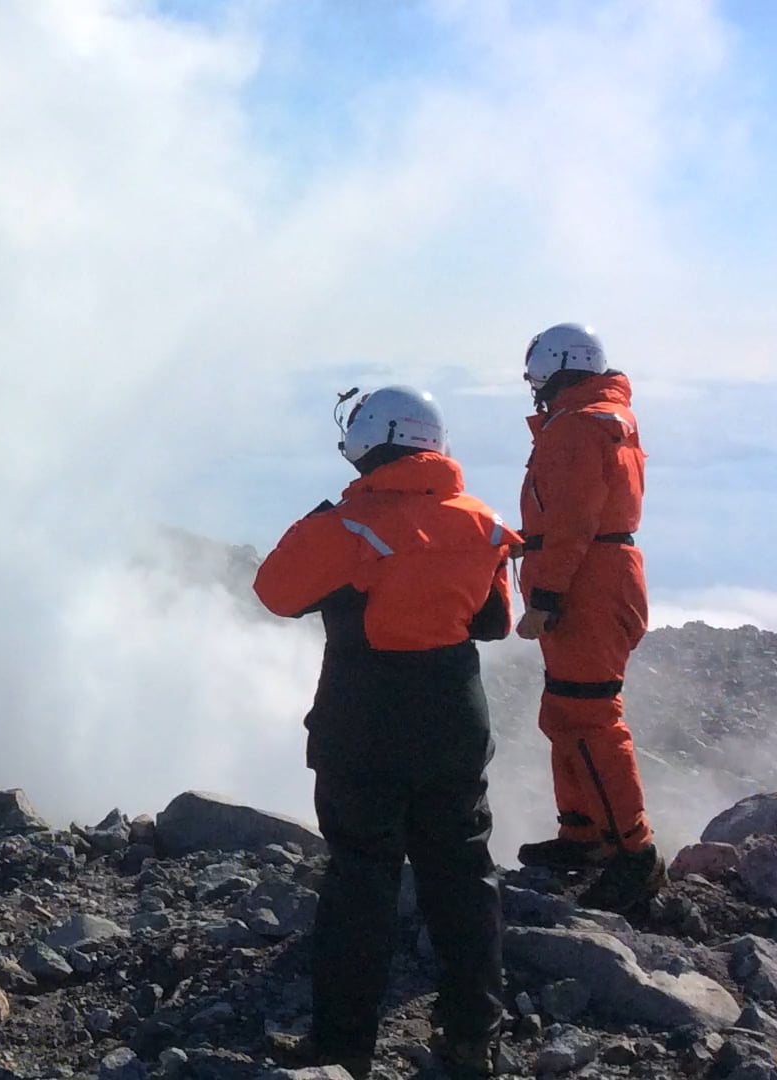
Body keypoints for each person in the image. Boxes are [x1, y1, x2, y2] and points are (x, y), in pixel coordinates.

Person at [254, 386, 517, 1079]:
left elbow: (276, 592)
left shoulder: (350, 526)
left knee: (361, 882)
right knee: (462, 872)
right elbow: (494, 622)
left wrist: (319, 521)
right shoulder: (481, 521)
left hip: (366, 720)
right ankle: (472, 1038)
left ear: (372, 443)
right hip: (456, 713)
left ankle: (344, 1052)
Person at [512, 323, 665, 912]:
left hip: (587, 587)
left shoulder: (574, 427)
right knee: (566, 711)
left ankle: (633, 853)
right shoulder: (605, 419)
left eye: (537, 376)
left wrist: (545, 596)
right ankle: (584, 833)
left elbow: (573, 519)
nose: (535, 388)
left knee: (590, 717)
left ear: (556, 368)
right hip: (605, 576)